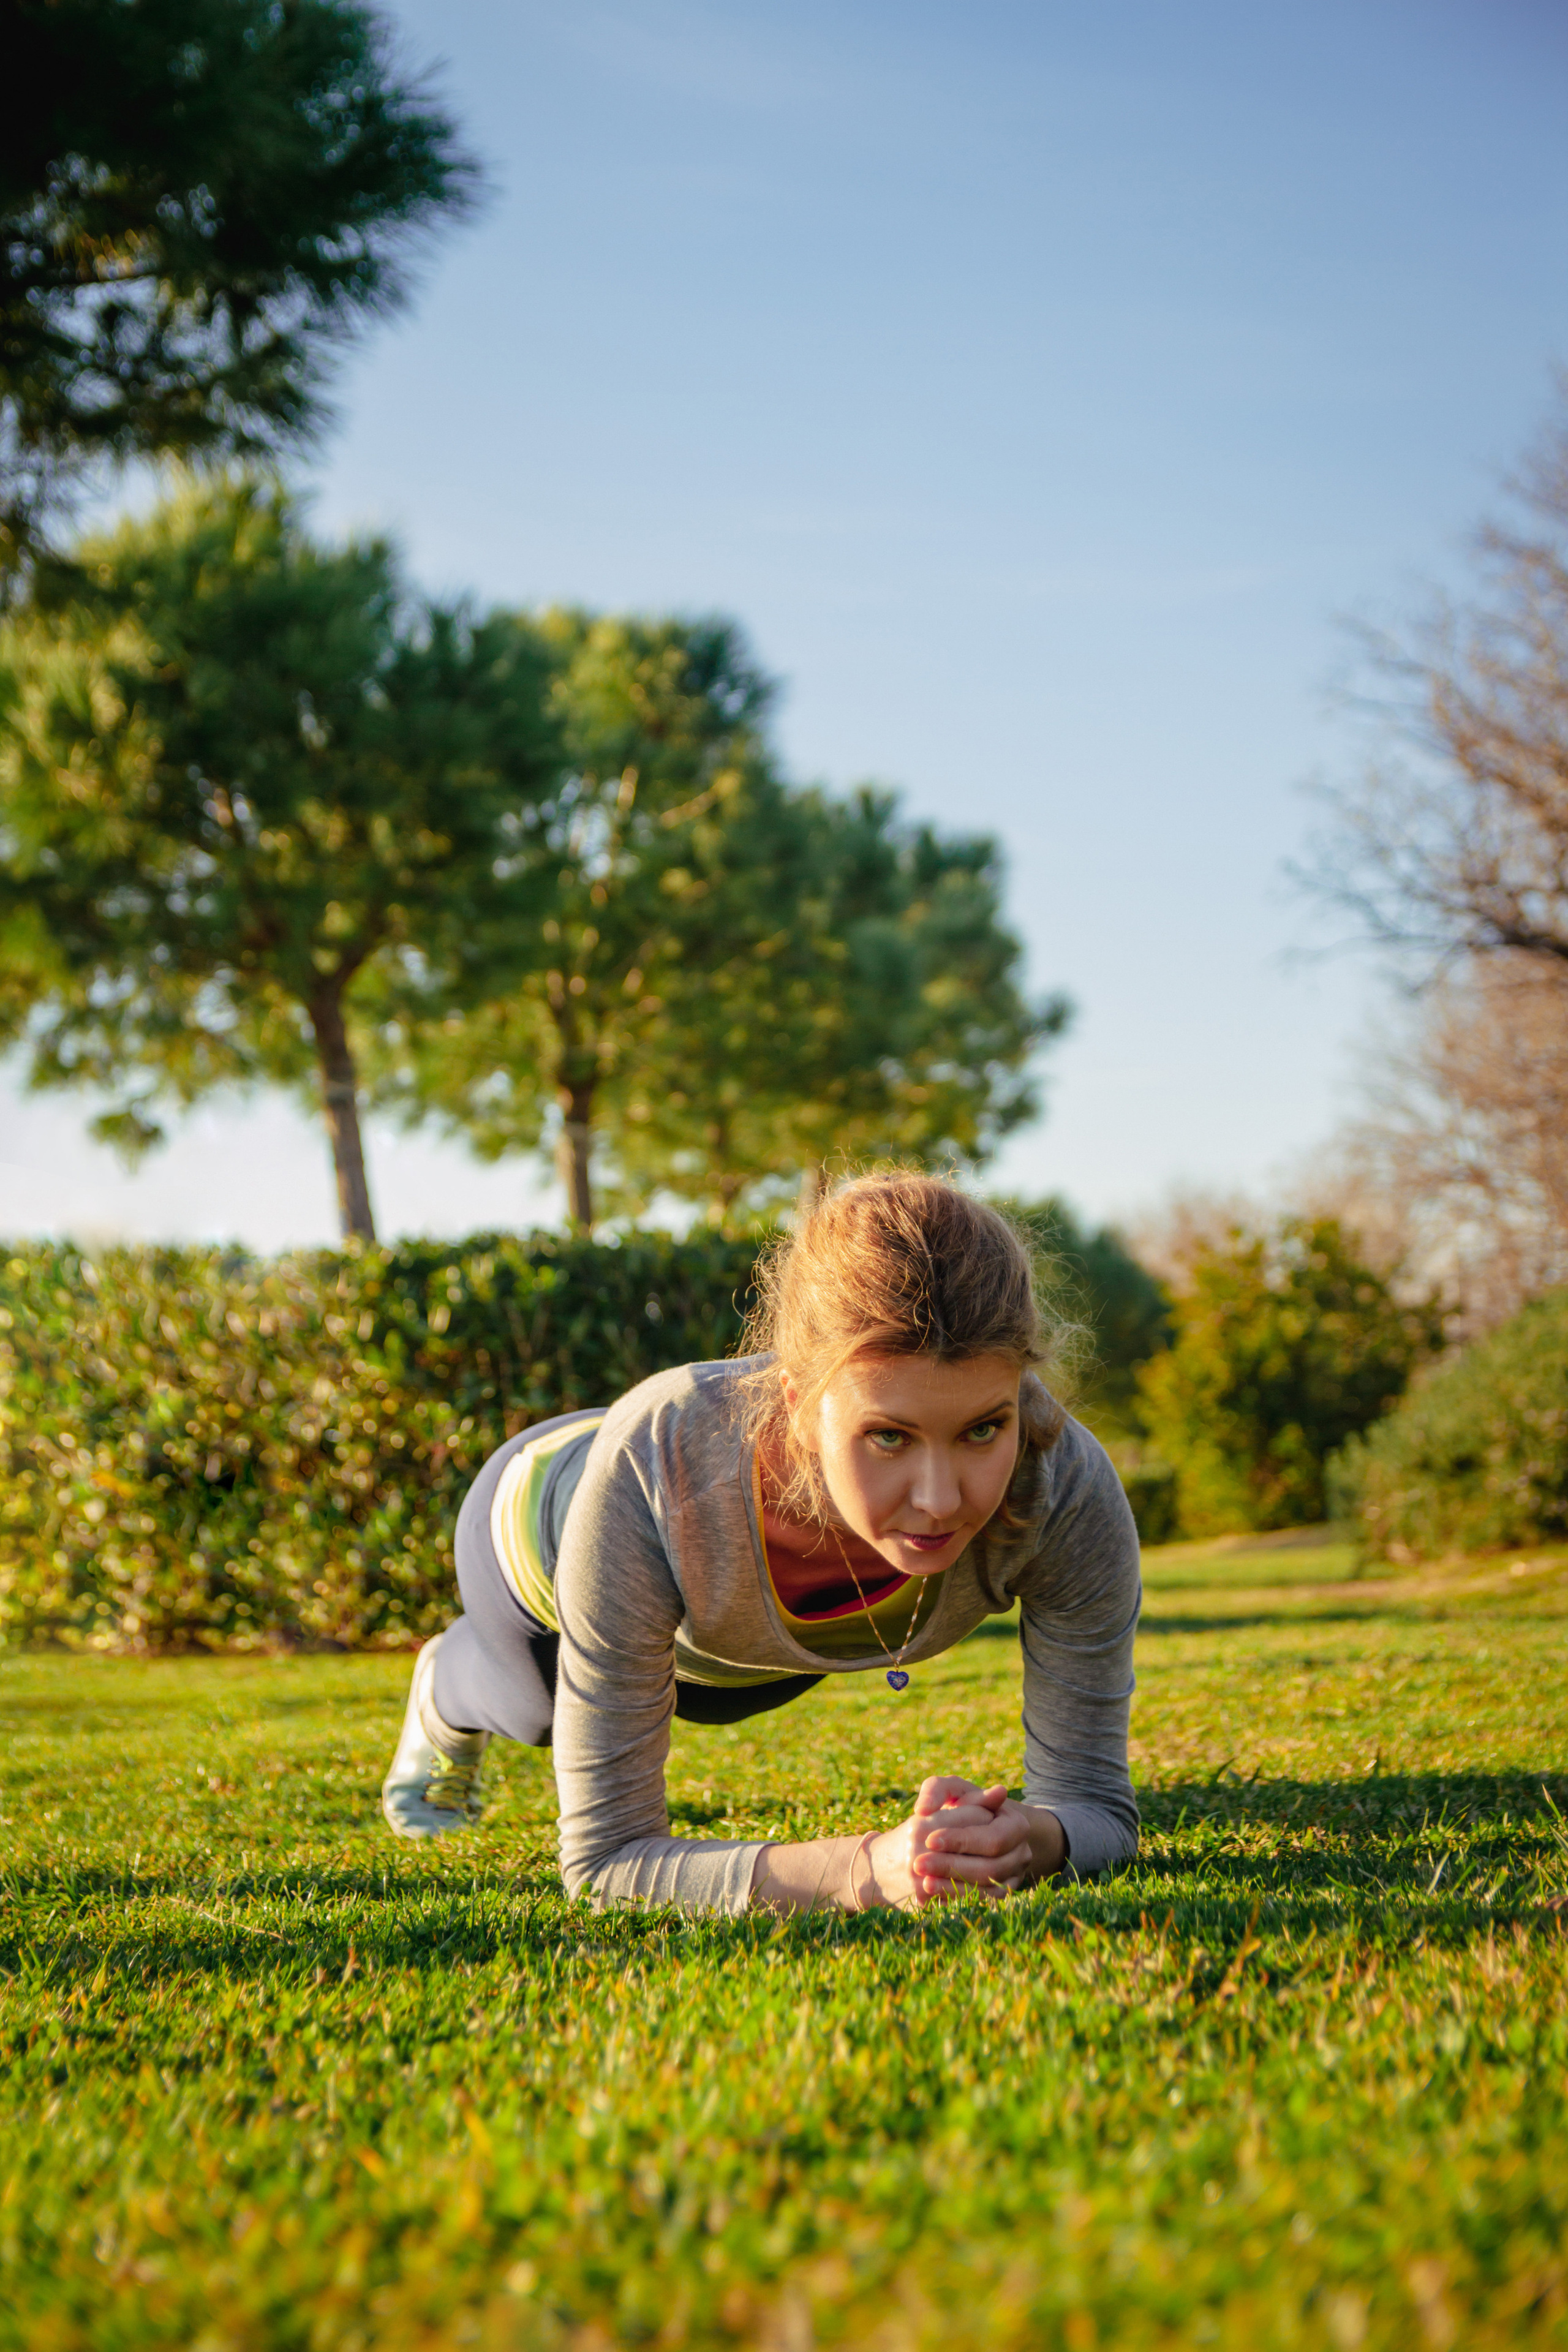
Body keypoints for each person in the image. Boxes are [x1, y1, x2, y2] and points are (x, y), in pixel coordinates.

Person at [380, 1174, 1140, 1915]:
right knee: (536, 1707)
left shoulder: (1063, 1483)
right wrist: (863, 1869)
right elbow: (604, 1863)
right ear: (799, 1407)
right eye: (886, 1436)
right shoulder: (656, 1466)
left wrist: (1031, 1839)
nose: (940, 1500)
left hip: (753, 1632)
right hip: (548, 1514)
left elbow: (1096, 1806)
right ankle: (449, 1680)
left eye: (983, 1428)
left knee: (717, 1700)